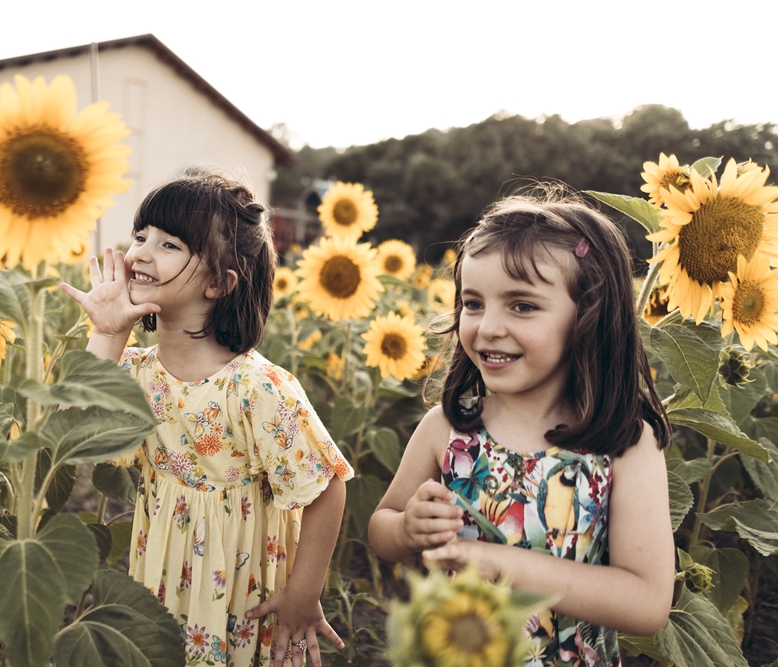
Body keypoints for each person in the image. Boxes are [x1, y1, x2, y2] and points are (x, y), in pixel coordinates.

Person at [368, 194, 674, 666]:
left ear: (588, 316)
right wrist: (408, 529)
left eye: (522, 306)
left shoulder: (622, 444)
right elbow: (381, 530)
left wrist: (501, 563)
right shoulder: (449, 430)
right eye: (473, 303)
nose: (488, 326)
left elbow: (647, 602)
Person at [61, 171, 352, 667]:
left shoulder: (256, 388)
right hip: (161, 575)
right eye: (140, 236)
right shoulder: (136, 371)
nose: (140, 253)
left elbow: (325, 487)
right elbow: (71, 429)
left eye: (169, 243)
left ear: (218, 282)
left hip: (240, 589)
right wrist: (108, 333)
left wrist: (303, 597)